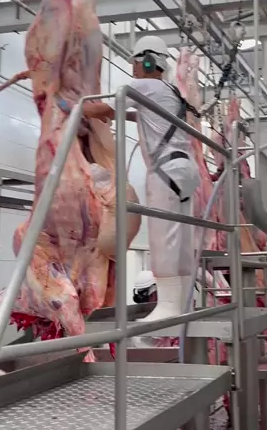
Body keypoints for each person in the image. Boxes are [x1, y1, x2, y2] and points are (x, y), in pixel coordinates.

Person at [83, 35, 201, 324]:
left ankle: (168, 307)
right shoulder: (170, 90)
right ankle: (182, 303)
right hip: (185, 170)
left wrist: (67, 106)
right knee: (181, 240)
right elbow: (148, 117)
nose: (133, 68)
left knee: (163, 238)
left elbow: (101, 109)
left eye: (135, 62)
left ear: (147, 61)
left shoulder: (143, 85)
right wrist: (124, 117)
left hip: (164, 171)